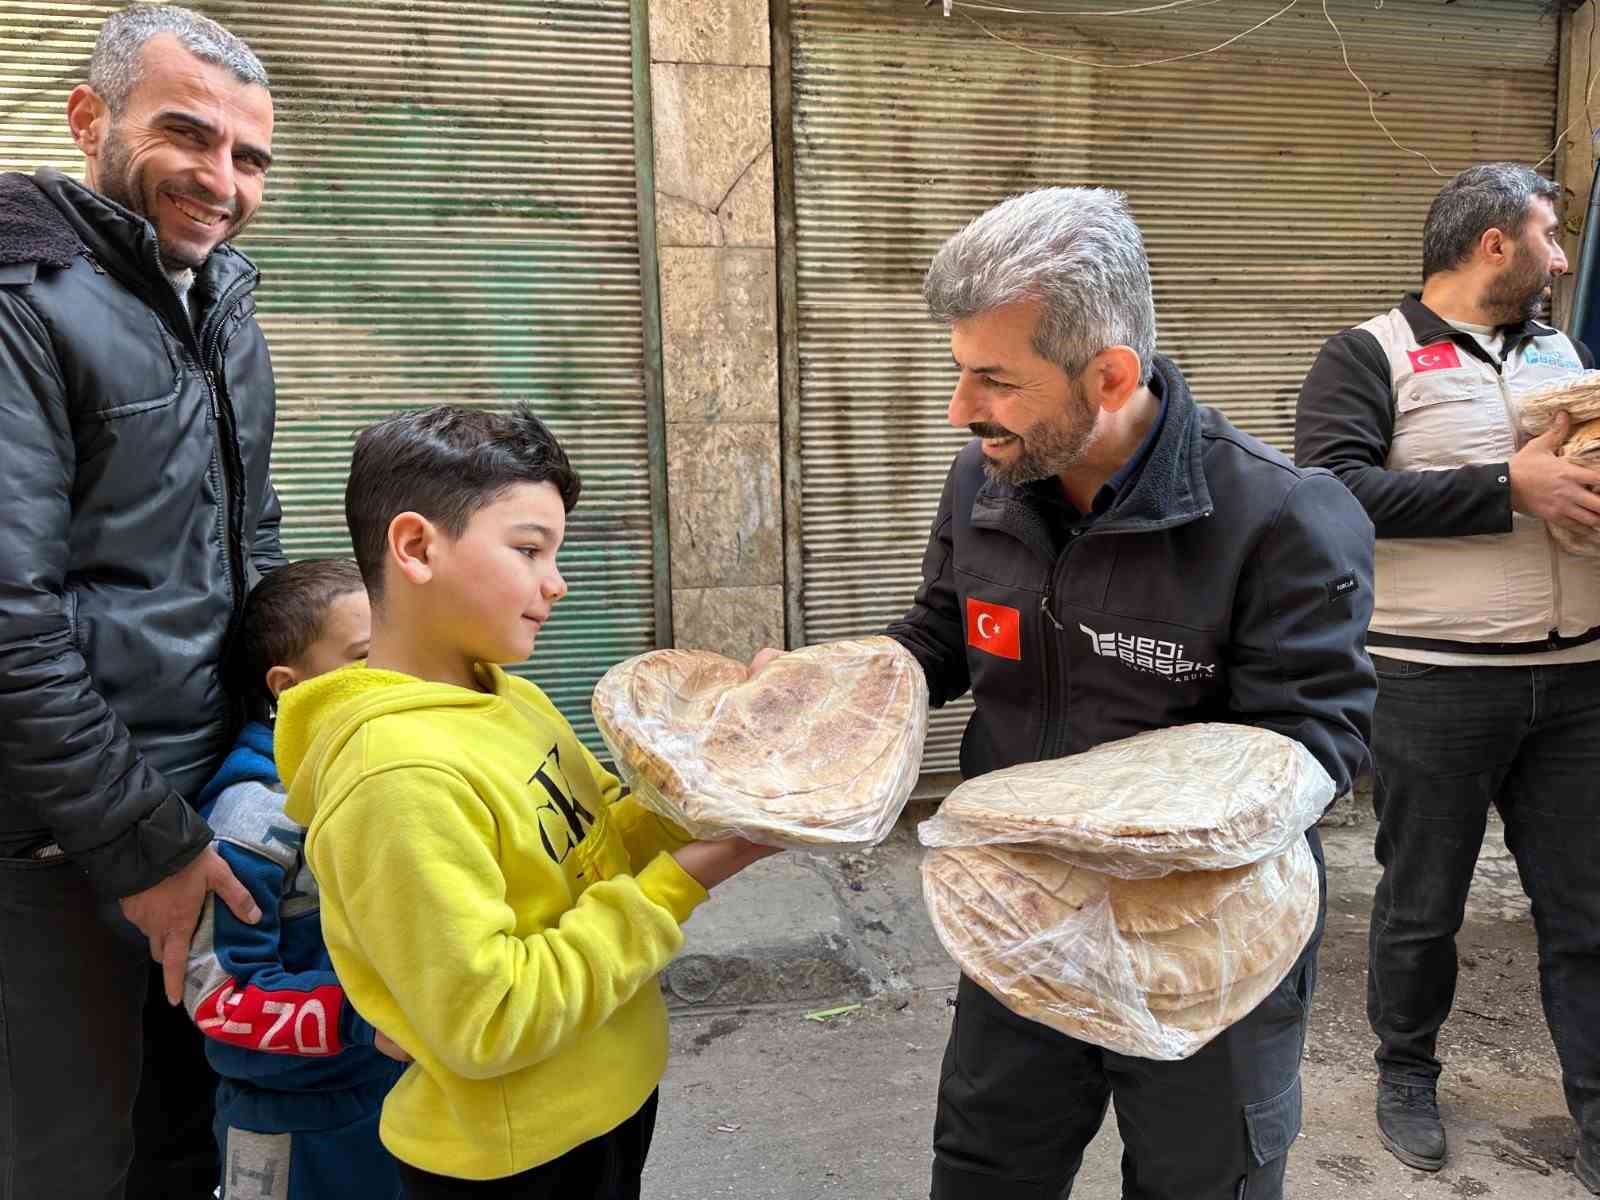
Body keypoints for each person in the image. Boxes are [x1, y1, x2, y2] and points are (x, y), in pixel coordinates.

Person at [754, 187, 1376, 1199]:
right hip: (1019, 917)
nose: (961, 409)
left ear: (1110, 374)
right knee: (986, 1171)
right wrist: (832, 693)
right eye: (959, 372)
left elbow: (1317, 741)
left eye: (992, 379)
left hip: (1203, 950)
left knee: (1199, 1184)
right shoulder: (982, 481)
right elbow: (944, 632)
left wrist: (1136, 832)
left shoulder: (1283, 519)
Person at [273, 405, 777, 1198]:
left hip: (603, 1100)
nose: (557, 581)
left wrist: (726, 765)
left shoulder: (505, 696)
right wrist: (690, 875)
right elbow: (490, 1019)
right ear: (415, 547)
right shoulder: (396, 779)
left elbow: (600, 840)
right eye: (528, 549)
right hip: (516, 1158)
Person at [0, 5, 282, 1195]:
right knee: (72, 1162)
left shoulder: (219, 302)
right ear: (89, 119)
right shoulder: (22, 300)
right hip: (61, 846)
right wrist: (136, 841)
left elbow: (252, 546)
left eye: (250, 156)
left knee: (186, 1146)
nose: (221, 180)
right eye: (188, 135)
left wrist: (278, 745)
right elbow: (10, 619)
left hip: (200, 815)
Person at [1296, 162, 1600, 1190]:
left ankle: (1596, 1111)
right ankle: (1406, 1073)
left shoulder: (1557, 349)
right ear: (1492, 245)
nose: (1562, 256)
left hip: (1578, 682)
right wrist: (1505, 488)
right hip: (1433, 679)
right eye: (1549, 236)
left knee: (1587, 910)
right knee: (1423, 901)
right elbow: (1330, 493)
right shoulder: (1368, 353)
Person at [183, 558, 410, 1200]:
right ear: (289, 685)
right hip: (290, 1125)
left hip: (393, 1097)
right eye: (367, 657)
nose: (395, 675)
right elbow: (218, 996)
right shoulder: (251, 820)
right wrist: (366, 1017)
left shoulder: (378, 775)